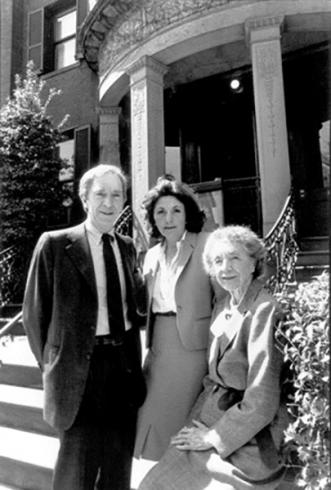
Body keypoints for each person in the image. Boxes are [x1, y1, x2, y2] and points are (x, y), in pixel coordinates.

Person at [23, 164, 146, 490]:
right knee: (76, 470)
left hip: (122, 369)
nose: (109, 202)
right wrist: (54, 365)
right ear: (85, 199)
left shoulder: (128, 247)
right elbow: (34, 316)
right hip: (77, 373)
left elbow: (135, 309)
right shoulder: (54, 244)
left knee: (117, 467)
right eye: (101, 194)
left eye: (116, 195)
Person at [138, 225, 289, 490]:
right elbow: (211, 380)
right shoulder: (223, 305)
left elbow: (262, 399)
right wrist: (194, 428)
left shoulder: (264, 310)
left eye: (235, 258)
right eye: (218, 261)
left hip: (249, 439)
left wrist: (213, 437)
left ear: (254, 263)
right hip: (210, 420)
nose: (225, 268)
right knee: (152, 483)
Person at [134, 175, 222, 464]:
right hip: (159, 346)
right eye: (160, 212)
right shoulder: (151, 255)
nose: (168, 218)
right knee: (149, 415)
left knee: (180, 420)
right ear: (152, 218)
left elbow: (223, 299)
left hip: (193, 347)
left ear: (187, 214)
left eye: (176, 211)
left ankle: (179, 476)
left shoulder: (207, 245)